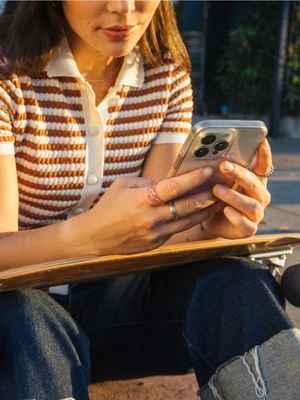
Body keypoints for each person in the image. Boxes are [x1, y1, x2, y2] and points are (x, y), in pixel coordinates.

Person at [0, 1, 299, 399]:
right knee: (25, 315)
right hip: (27, 327)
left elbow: (151, 232)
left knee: (238, 281)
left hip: (124, 313)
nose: (124, 8)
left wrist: (202, 229)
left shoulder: (166, 74)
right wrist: (86, 237)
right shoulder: (9, 78)